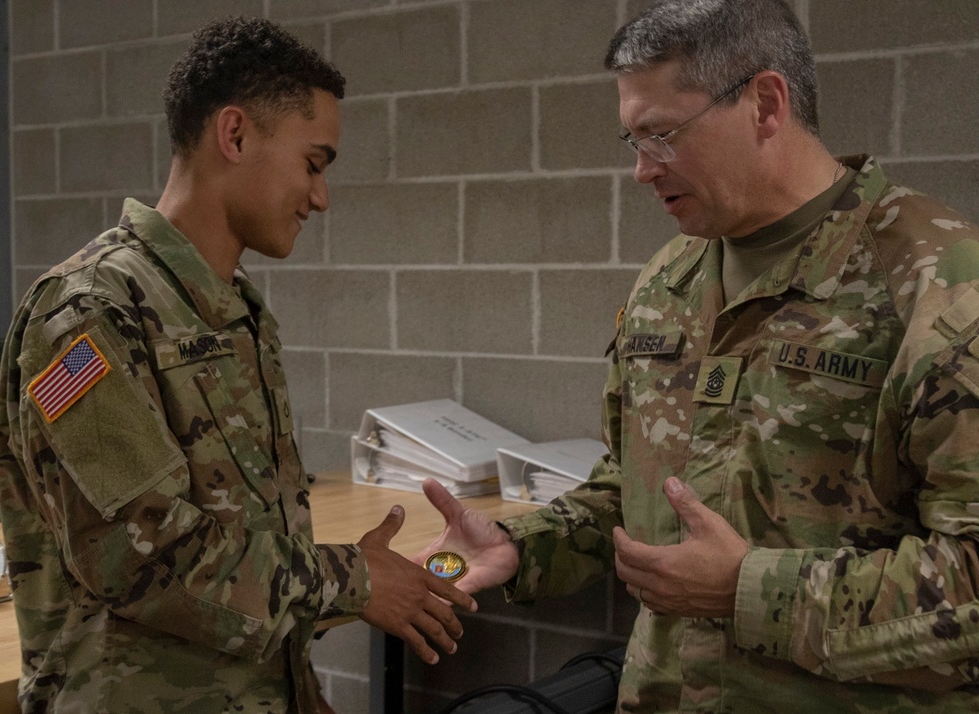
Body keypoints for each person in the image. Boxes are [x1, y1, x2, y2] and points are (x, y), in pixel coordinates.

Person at [415, 0, 979, 711]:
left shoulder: (941, 280)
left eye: (661, 136)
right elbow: (636, 491)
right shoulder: (668, 280)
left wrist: (751, 591)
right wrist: (521, 546)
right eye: (633, 141)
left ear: (765, 104)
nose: (642, 172)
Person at [0, 16, 474, 714]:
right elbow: (141, 559)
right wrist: (351, 579)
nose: (320, 198)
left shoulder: (233, 311)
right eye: (313, 163)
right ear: (235, 134)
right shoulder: (88, 313)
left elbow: (243, 548)